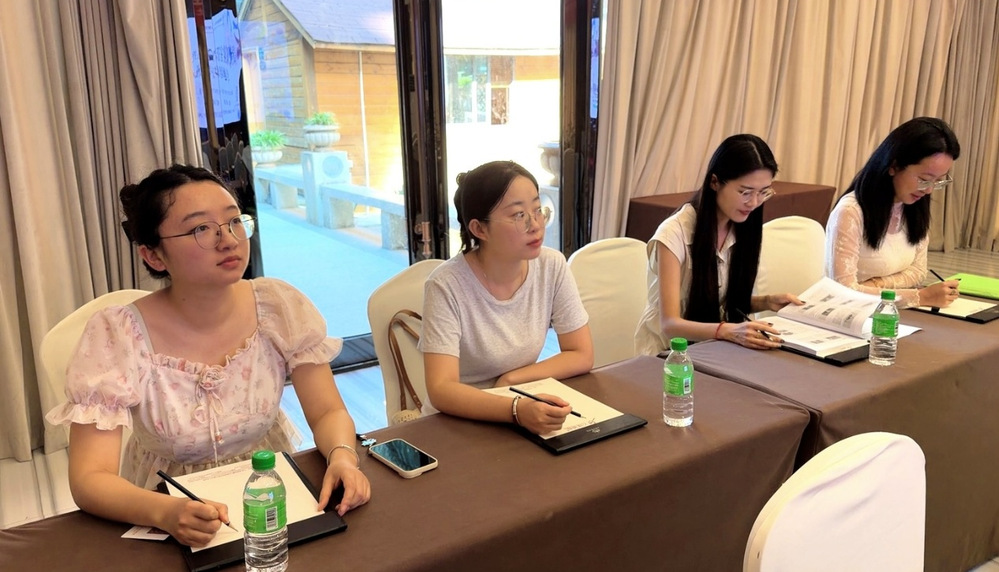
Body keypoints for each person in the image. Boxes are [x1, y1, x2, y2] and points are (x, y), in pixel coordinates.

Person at [46, 165, 370, 547]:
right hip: (165, 503)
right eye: (201, 228)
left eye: (234, 221)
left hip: (270, 494)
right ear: (154, 256)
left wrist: (343, 457)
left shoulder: (278, 305)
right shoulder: (117, 334)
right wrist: (165, 512)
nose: (228, 240)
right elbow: (89, 478)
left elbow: (327, 411)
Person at [420, 160, 593, 436]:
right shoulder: (446, 285)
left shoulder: (551, 266)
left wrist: (512, 379)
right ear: (479, 229)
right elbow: (441, 389)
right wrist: (515, 410)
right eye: (519, 216)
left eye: (537, 210)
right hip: (457, 422)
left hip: (522, 404)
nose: (535, 225)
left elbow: (581, 354)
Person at [635, 134, 802, 356]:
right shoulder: (674, 234)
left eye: (763, 192)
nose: (754, 203)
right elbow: (670, 324)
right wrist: (727, 331)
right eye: (745, 192)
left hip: (715, 348)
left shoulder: (742, 226)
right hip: (668, 355)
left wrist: (767, 302)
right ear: (715, 182)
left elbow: (721, 300)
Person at [825, 117, 961, 308]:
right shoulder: (851, 212)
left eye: (938, 181)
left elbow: (918, 271)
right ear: (894, 166)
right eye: (924, 179)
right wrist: (920, 297)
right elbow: (843, 292)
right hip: (847, 314)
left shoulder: (913, 205)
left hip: (889, 311)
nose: (929, 190)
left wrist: (877, 284)